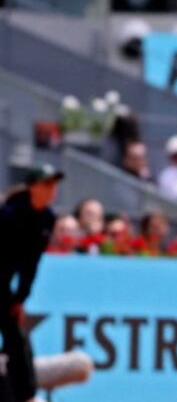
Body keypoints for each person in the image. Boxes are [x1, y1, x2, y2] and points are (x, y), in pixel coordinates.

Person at [0, 164, 62, 402]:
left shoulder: (47, 218)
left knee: (16, 334)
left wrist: (20, 299)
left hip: (4, 283)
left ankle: (26, 396)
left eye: (54, 184)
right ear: (33, 187)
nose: (52, 189)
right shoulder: (8, 213)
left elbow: (31, 264)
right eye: (47, 183)